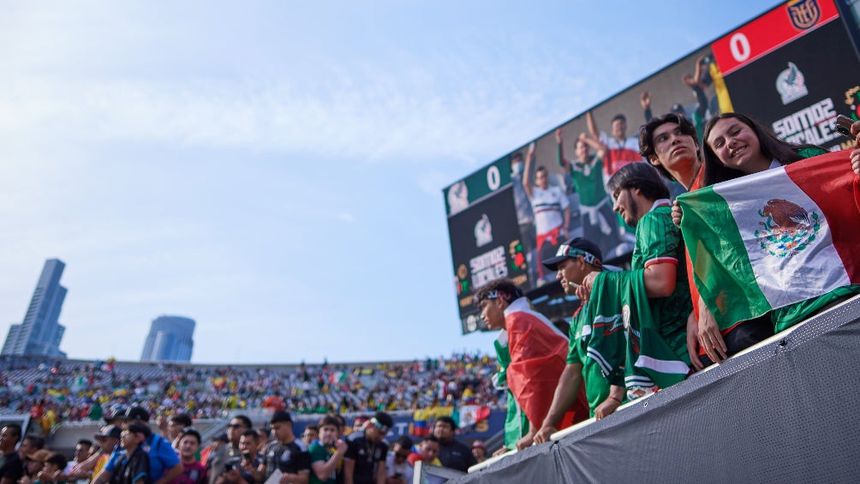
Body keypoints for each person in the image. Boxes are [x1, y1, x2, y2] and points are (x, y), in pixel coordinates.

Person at [680, 113, 860, 361]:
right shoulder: (728, 207)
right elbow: (719, 259)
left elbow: (850, 202)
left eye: (735, 131)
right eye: (719, 143)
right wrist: (687, 217)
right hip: (791, 320)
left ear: (755, 130)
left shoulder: (806, 159)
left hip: (843, 294)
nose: (730, 142)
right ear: (716, 158)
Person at [576, 164, 692, 399]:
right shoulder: (663, 216)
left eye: (617, 195)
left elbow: (661, 282)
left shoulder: (652, 220)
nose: (614, 206)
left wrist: (603, 280)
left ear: (636, 187)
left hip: (680, 348)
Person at [533, 239, 629, 444]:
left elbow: (629, 339)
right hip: (600, 416)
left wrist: (615, 396)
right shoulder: (577, 317)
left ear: (581, 262)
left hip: (632, 405)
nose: (558, 275)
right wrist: (549, 423)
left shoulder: (618, 286)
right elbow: (572, 372)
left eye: (562, 267)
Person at [475, 279, 587, 450]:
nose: (482, 315)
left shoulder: (519, 320)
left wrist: (535, 430)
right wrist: (512, 443)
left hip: (572, 413)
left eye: (484, 306)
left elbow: (532, 379)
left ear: (499, 300)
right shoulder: (519, 322)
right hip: (567, 413)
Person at [555, 128, 630, 258]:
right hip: (587, 213)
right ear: (576, 151)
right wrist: (559, 142)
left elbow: (603, 150)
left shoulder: (595, 161)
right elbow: (561, 162)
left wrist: (587, 139)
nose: (583, 149)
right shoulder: (574, 167)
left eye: (585, 146)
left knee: (615, 241)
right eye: (580, 147)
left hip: (603, 207)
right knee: (592, 247)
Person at [523, 141, 571, 282]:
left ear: (547, 177)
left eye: (544, 176)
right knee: (545, 275)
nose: (542, 179)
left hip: (559, 235)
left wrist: (566, 227)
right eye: (539, 177)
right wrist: (529, 157)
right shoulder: (534, 193)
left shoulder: (556, 191)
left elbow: (567, 208)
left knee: (566, 267)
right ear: (537, 180)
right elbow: (525, 182)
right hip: (543, 240)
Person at [110, 406, 182, 484]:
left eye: (127, 421)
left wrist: (160, 482)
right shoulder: (123, 444)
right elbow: (106, 472)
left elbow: (177, 468)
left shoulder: (158, 442)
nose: (124, 424)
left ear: (140, 422)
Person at [586, 111, 643, 181]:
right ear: (612, 130)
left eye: (621, 124)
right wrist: (589, 112)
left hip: (635, 182)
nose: (619, 127)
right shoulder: (608, 143)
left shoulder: (635, 142)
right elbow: (594, 133)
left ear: (625, 126)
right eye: (616, 125)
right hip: (614, 185)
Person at [259, 411, 310, 484]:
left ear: (289, 425)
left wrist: (291, 478)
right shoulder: (270, 446)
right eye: (272, 428)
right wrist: (251, 469)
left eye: (277, 428)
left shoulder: (300, 448)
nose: (274, 432)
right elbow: (260, 474)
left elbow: (304, 479)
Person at [343, 412, 392, 484]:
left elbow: (381, 474)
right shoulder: (354, 440)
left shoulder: (383, 446)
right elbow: (348, 473)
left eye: (384, 434)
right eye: (380, 433)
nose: (381, 437)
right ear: (370, 425)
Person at [308, 416, 347, 484]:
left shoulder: (332, 449)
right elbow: (322, 475)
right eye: (325, 429)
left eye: (332, 430)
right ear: (319, 433)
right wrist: (339, 452)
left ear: (337, 434)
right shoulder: (316, 447)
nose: (329, 433)